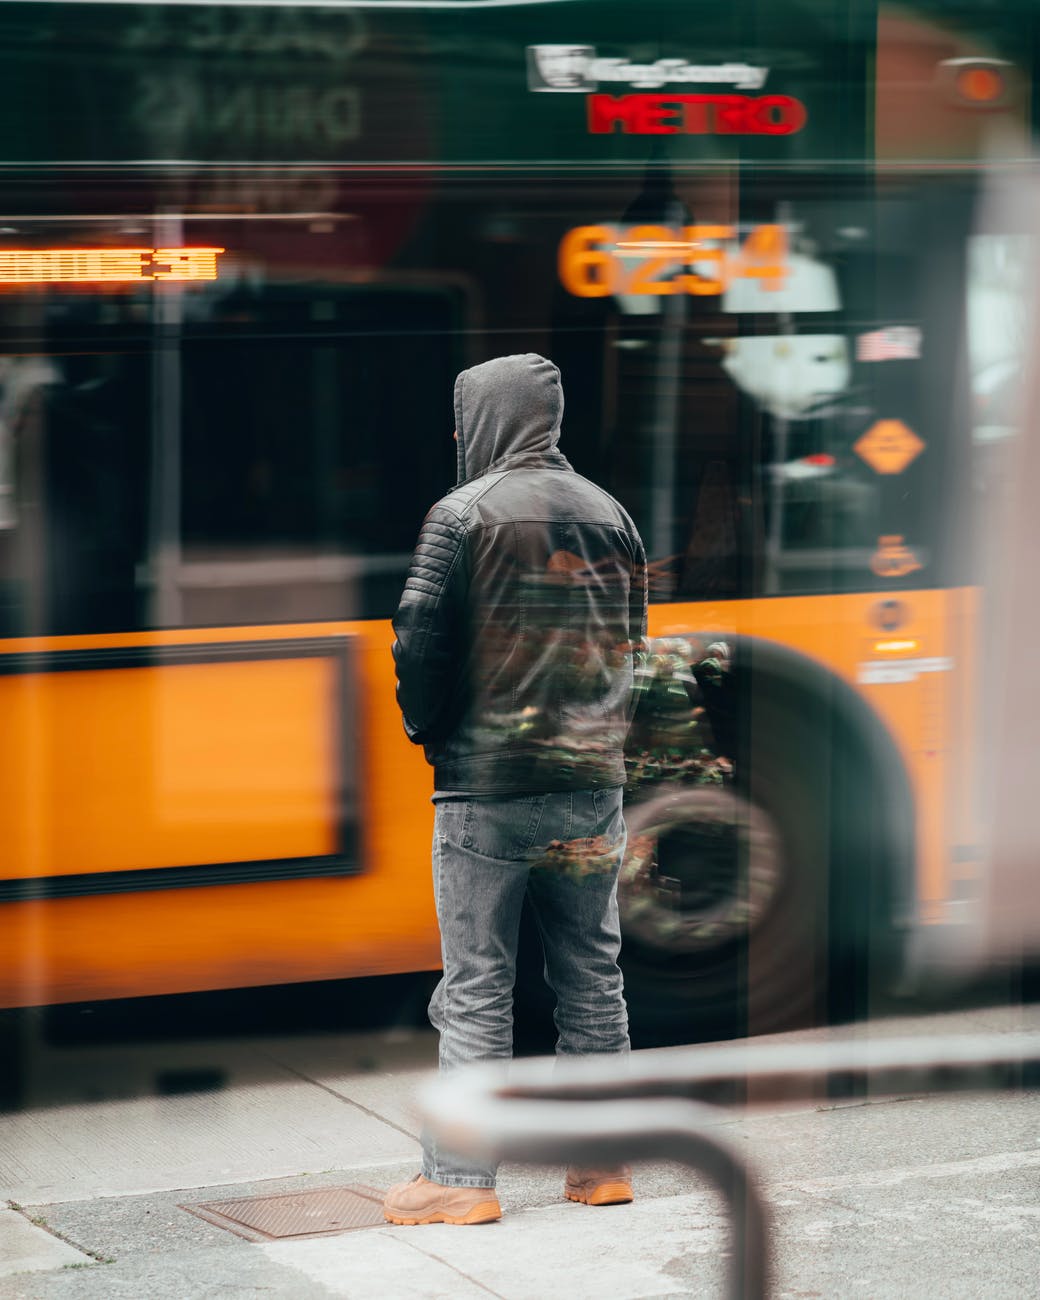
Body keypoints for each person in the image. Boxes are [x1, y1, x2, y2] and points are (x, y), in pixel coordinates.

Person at [383, 353, 647, 1226]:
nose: (461, 437)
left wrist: (431, 733)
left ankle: (460, 1183)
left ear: (485, 420)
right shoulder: (613, 515)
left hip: (485, 788)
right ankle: (601, 1164)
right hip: (591, 781)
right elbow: (631, 647)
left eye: (465, 421)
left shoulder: (459, 516)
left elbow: (420, 644)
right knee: (592, 976)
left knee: (478, 983)